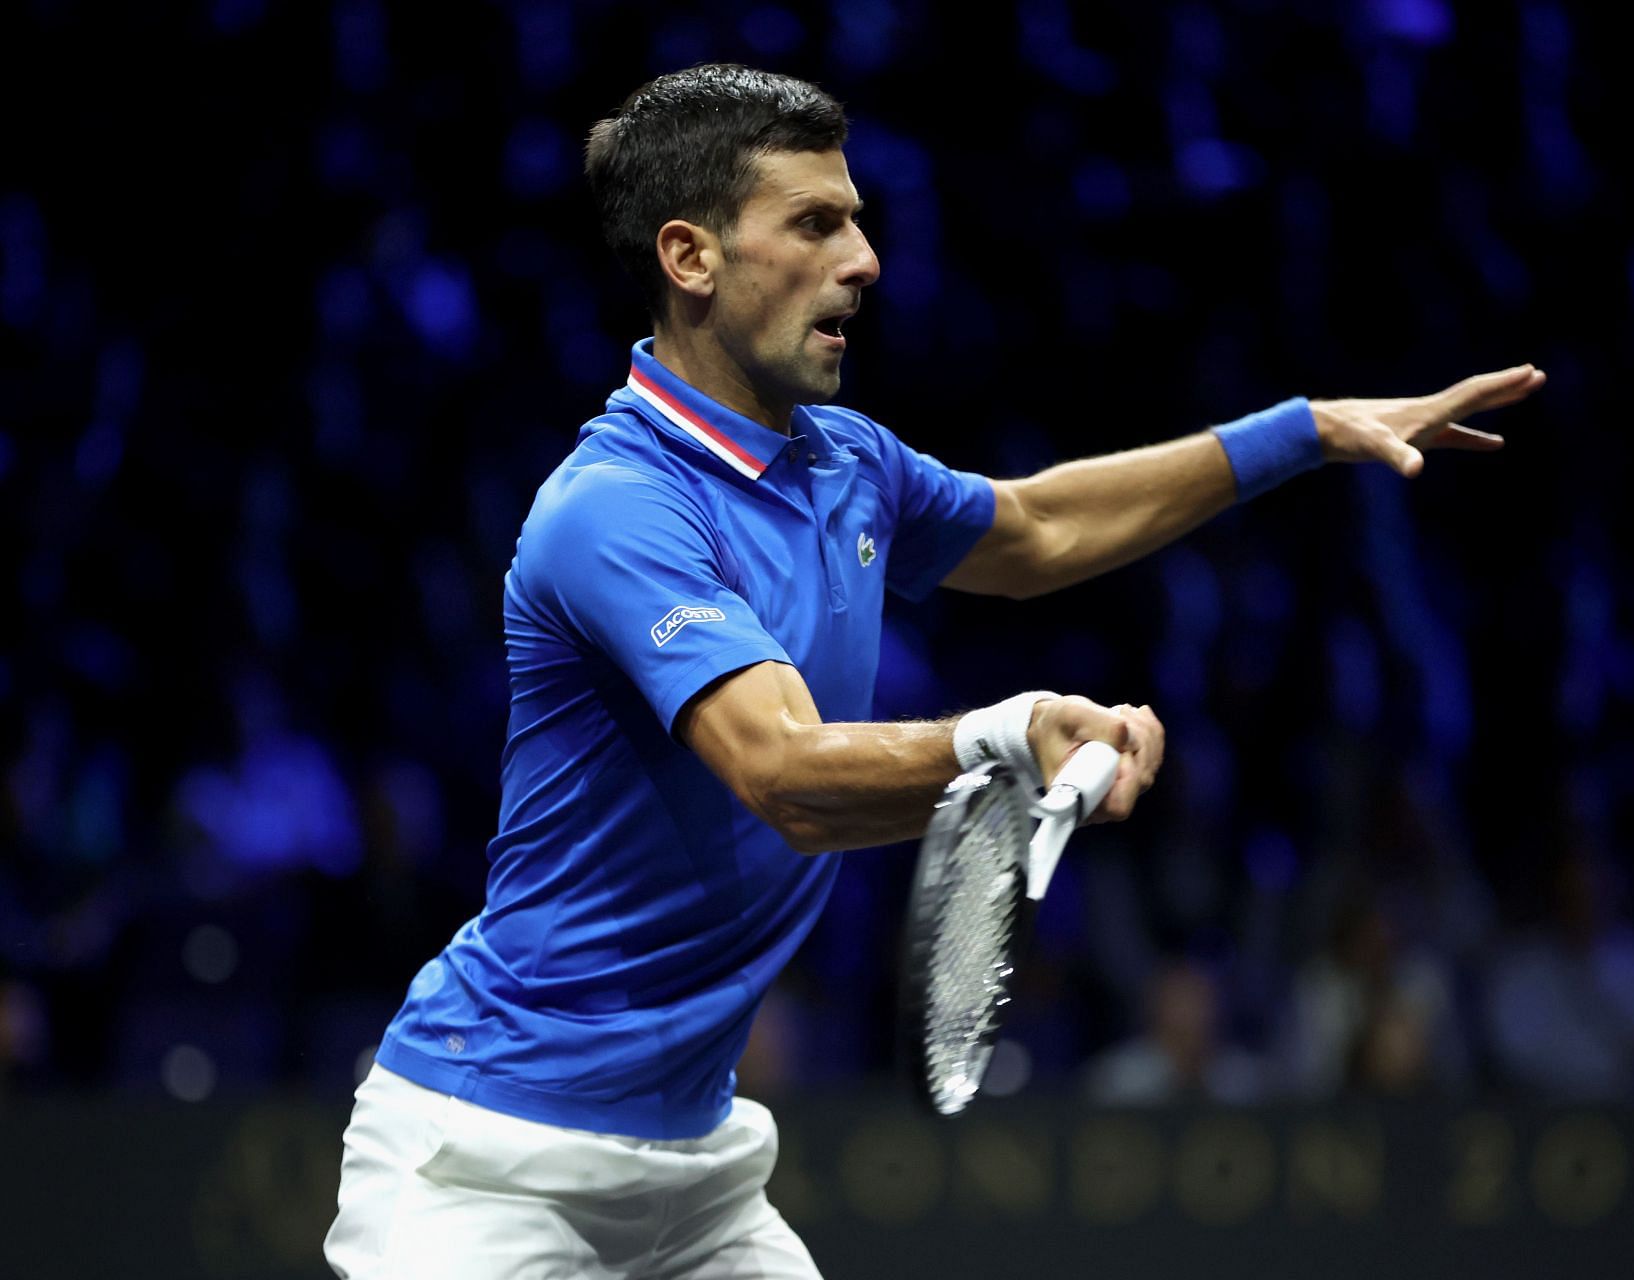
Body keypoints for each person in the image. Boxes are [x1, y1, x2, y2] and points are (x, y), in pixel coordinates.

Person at [324, 63, 1544, 1279]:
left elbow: (1036, 531)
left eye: (856, 219)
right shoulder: (613, 509)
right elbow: (785, 774)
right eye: (815, 223)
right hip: (484, 1164)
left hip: (694, 1171)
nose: (865, 260)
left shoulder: (845, 460)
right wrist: (1009, 736)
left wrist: (1305, 430)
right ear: (689, 257)